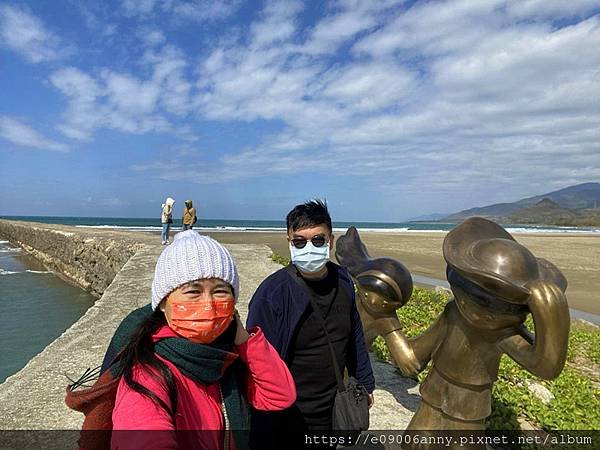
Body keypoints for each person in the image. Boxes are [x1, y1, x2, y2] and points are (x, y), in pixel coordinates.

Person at [110, 231, 297, 450]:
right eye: (193, 291)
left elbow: (279, 396)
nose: (208, 304)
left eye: (220, 291)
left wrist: (245, 340)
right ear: (163, 302)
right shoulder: (147, 373)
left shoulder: (228, 358)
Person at [246, 200, 375, 449]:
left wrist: (366, 382)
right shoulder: (273, 294)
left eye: (318, 240)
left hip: (331, 409)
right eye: (300, 241)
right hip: (288, 415)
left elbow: (354, 335)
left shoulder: (343, 280)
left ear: (331, 241)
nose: (309, 247)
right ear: (289, 242)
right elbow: (255, 361)